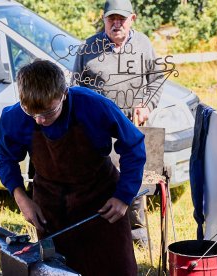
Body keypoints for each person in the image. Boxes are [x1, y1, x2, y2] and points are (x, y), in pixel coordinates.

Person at [0, 59, 146, 275]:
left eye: (48, 112)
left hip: (102, 203)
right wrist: (22, 199)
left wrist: (124, 196)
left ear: (64, 94)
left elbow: (133, 145)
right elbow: (5, 158)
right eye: (32, 112)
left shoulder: (94, 106)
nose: (39, 120)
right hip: (52, 207)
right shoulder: (15, 117)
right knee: (59, 270)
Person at [72, 0, 165, 247]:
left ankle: (137, 235)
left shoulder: (143, 44)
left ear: (132, 19)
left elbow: (156, 80)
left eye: (121, 19)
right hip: (99, 130)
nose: (116, 24)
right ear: (103, 19)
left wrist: (146, 105)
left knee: (134, 180)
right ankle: (101, 234)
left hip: (132, 125)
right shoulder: (88, 48)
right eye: (111, 19)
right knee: (100, 180)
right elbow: (75, 90)